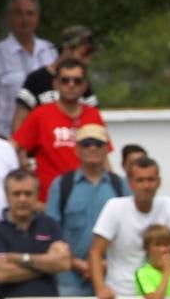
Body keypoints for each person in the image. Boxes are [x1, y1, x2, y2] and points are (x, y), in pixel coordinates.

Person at [88, 157, 170, 299]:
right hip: (121, 294)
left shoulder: (168, 204)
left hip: (160, 292)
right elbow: (96, 251)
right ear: (130, 183)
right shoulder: (114, 207)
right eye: (140, 180)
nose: (146, 185)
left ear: (159, 182)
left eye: (150, 179)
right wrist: (101, 288)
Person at [44, 123, 122, 296]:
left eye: (98, 143)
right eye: (86, 143)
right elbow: (51, 230)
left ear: (106, 149)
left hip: (112, 275)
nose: (92, 148)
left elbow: (128, 230)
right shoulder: (62, 185)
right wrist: (76, 263)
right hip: (70, 277)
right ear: (77, 149)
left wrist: (102, 264)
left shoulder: (120, 185)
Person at [12, 58, 103, 201]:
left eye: (77, 81)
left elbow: (104, 156)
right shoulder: (40, 114)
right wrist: (24, 166)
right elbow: (16, 145)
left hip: (88, 198)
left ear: (85, 85)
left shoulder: (93, 115)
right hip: (49, 200)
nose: (71, 85)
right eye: (65, 80)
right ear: (56, 84)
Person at [0, 168, 70, 299]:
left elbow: (63, 263)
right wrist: (48, 266)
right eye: (16, 194)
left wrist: (22, 259)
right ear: (7, 196)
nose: (22, 199)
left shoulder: (49, 224)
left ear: (37, 195)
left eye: (28, 193)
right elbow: (1, 273)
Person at [13, 24, 95, 131]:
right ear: (67, 49)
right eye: (85, 52)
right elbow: (20, 120)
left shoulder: (82, 83)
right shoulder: (36, 79)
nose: (88, 60)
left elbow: (94, 123)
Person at [0, 0, 52, 138]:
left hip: (45, 138)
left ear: (37, 18)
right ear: (10, 17)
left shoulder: (50, 52)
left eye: (30, 14)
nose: (25, 19)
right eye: (19, 13)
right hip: (6, 138)